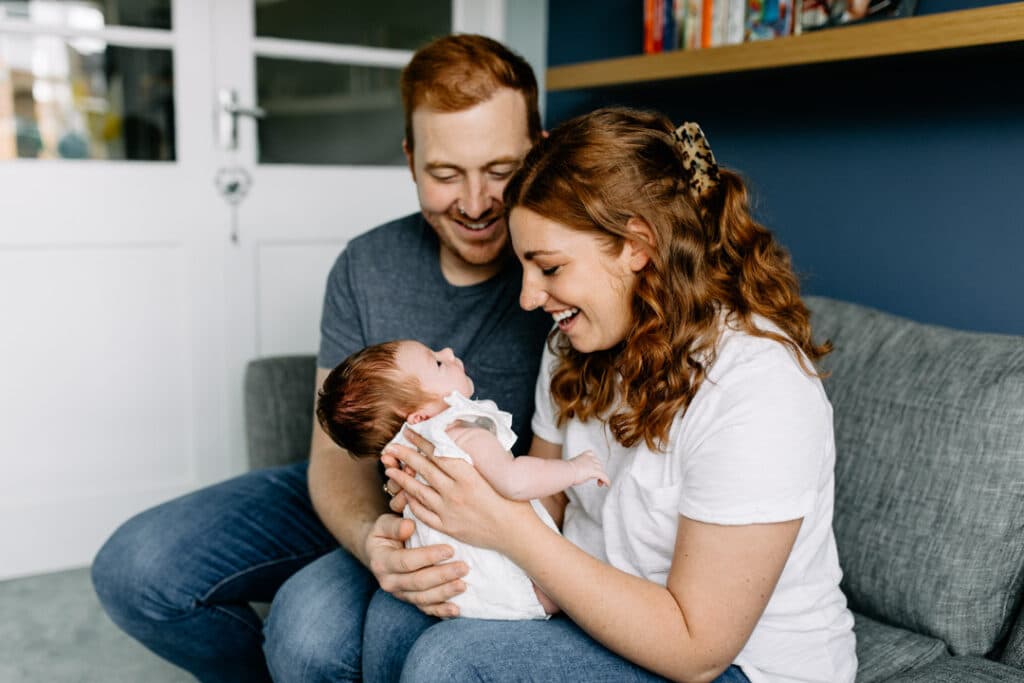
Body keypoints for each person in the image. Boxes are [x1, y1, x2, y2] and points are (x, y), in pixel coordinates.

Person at [90, 34, 552, 681]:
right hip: (363, 494)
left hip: (477, 522)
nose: (476, 203)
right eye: (446, 174)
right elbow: (334, 459)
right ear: (410, 159)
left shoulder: (562, 272)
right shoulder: (365, 265)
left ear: (539, 147)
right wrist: (371, 543)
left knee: (309, 634)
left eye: (501, 170)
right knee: (134, 567)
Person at [375, 108, 857, 682]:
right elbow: (547, 502)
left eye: (548, 267)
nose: (529, 298)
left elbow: (696, 649)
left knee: (450, 662)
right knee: (394, 616)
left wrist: (505, 529)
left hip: (736, 665)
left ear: (637, 245)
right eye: (524, 267)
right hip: (585, 608)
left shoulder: (758, 388)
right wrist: (443, 507)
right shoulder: (573, 342)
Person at [315, 339, 609, 619]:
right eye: (439, 363)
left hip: (453, 590)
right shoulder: (462, 436)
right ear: (418, 418)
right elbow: (516, 481)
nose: (448, 352)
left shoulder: (411, 455)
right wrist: (575, 469)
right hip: (511, 588)